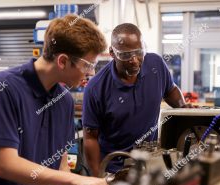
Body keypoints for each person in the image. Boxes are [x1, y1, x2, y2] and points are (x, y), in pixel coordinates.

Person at [0, 14, 109, 185]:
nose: (91, 73)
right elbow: (5, 165)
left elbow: (61, 163)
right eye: (88, 65)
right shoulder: (3, 87)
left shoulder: (64, 100)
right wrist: (74, 180)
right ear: (63, 61)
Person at [82, 23, 191, 176]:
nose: (134, 60)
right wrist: (97, 177)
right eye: (126, 55)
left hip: (151, 162)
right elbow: (90, 138)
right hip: (115, 170)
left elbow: (171, 89)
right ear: (112, 53)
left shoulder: (156, 65)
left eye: (139, 52)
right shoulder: (95, 88)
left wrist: (183, 107)